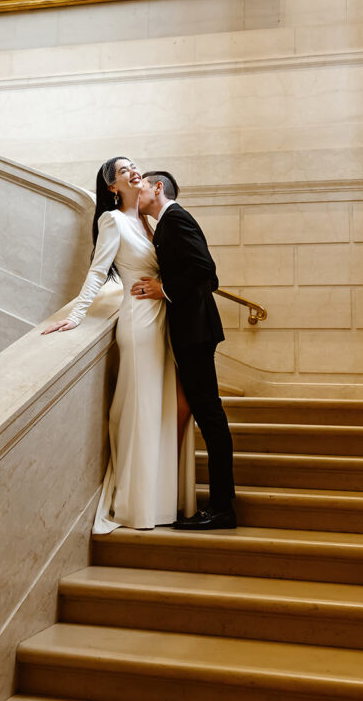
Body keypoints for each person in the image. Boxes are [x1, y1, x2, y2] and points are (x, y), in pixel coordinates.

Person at [41, 156, 195, 534]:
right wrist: (76, 316)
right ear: (112, 186)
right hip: (139, 322)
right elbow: (98, 269)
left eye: (134, 166)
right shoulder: (113, 220)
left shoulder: (149, 221)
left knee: (163, 408)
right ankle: (137, 506)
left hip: (164, 322)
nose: (133, 171)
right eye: (124, 170)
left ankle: (164, 502)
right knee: (142, 408)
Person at [132, 171, 236, 530]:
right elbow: (209, 276)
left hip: (195, 332)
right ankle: (220, 505)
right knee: (207, 413)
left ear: (158, 188)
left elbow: (206, 268)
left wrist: (164, 288)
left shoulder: (176, 218)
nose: (136, 191)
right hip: (192, 330)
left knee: (210, 415)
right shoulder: (166, 224)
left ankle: (223, 509)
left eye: (141, 185)